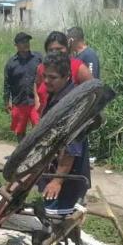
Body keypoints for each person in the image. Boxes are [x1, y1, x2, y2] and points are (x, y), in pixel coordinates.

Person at [38, 51, 91, 216]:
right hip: (53, 168)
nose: (46, 81)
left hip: (68, 177)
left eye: (52, 77)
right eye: (45, 76)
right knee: (50, 219)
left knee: (59, 222)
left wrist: (57, 181)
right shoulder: (55, 96)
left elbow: (70, 147)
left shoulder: (72, 104)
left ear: (67, 76)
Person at [34, 31, 92, 113]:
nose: (55, 52)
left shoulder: (78, 67)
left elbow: (93, 90)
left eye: (59, 49)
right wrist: (37, 101)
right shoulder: (42, 67)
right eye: (51, 50)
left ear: (67, 48)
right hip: (45, 117)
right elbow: (36, 83)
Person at [3, 32, 42, 141]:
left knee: (39, 129)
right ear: (16, 45)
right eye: (23, 42)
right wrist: (7, 101)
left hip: (36, 102)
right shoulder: (11, 63)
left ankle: (37, 154)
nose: (26, 44)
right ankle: (22, 154)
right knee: (20, 131)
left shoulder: (38, 58)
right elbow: (7, 84)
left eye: (27, 41)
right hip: (19, 102)